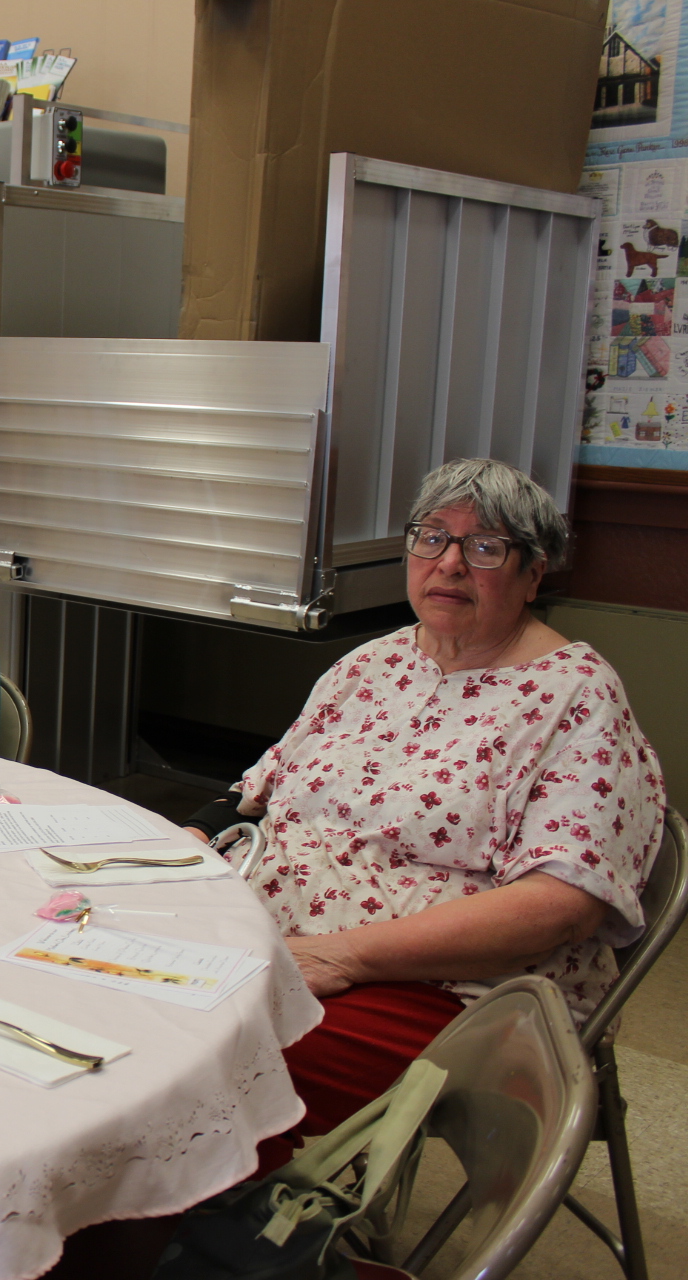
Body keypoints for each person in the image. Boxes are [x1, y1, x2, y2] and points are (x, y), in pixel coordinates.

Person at [179, 457, 666, 1164]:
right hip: (272, 933)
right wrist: (189, 837)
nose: (450, 563)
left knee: (208, 1075)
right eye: (432, 536)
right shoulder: (372, 663)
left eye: (486, 546)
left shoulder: (577, 696)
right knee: (110, 1004)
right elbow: (256, 790)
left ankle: (227, 1218)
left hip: (447, 983)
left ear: (534, 575)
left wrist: (340, 956)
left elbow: (561, 907)